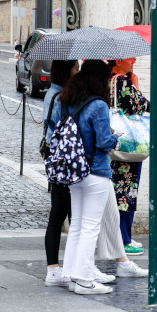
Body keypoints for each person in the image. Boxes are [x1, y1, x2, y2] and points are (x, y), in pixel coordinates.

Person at [57, 60, 122, 295]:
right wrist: (116, 137)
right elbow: (104, 142)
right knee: (90, 227)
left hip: (73, 171)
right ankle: (84, 279)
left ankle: (71, 274)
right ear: (100, 80)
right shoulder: (99, 106)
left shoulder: (67, 100)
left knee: (77, 226)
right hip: (96, 171)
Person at [42, 59, 78, 286]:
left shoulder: (51, 94)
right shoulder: (61, 98)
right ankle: (76, 268)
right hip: (65, 163)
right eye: (75, 67)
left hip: (54, 162)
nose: (78, 71)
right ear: (67, 71)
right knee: (74, 216)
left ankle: (53, 270)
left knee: (57, 214)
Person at [108, 58, 148, 254]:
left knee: (119, 191)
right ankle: (124, 239)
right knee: (126, 191)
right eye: (130, 58)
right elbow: (137, 104)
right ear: (118, 60)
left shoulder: (109, 79)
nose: (134, 60)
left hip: (115, 144)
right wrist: (137, 86)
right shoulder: (123, 81)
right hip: (128, 146)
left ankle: (125, 236)